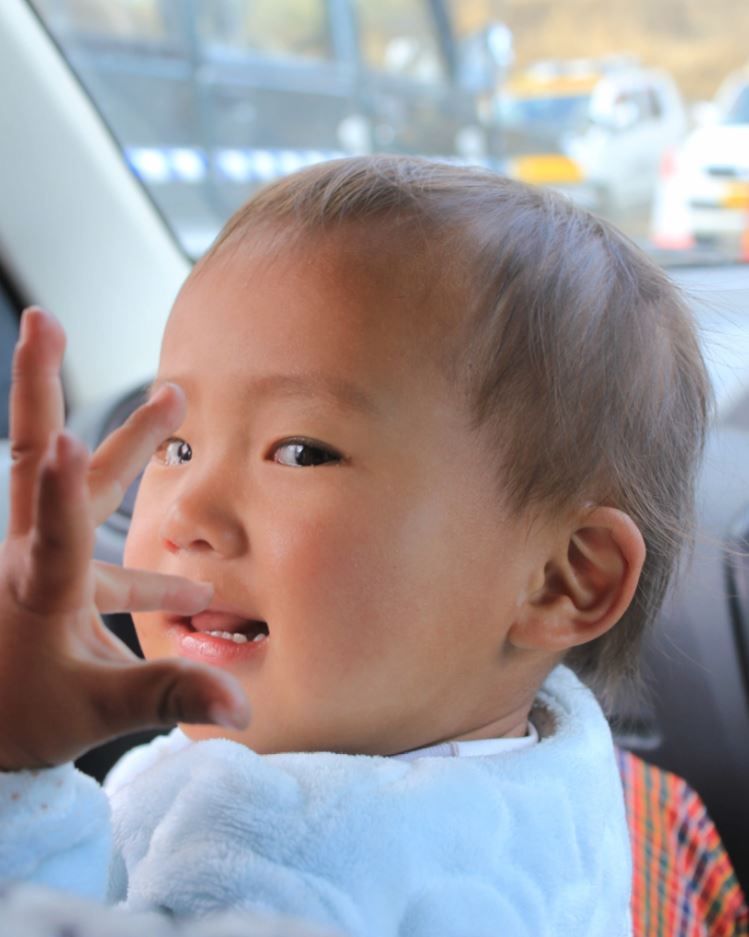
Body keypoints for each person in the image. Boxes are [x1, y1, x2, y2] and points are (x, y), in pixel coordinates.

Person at [0, 156, 710, 937]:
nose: (186, 512)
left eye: (300, 452)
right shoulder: (559, 779)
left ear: (560, 580)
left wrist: (16, 767)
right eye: (176, 445)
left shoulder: (301, 884)